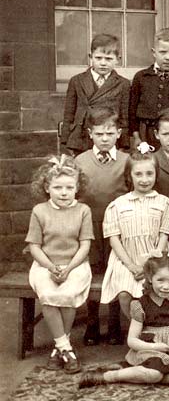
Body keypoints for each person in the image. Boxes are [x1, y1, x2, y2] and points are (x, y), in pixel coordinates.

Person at [79, 255, 169, 388]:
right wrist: (155, 347)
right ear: (149, 278)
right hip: (152, 350)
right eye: (160, 280)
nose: (166, 287)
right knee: (154, 375)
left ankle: (132, 372)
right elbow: (132, 340)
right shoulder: (141, 304)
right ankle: (107, 376)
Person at [26, 155, 94, 374]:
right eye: (57, 187)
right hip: (45, 265)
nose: (63, 192)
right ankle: (66, 347)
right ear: (47, 187)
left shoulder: (83, 210)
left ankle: (58, 350)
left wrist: (69, 268)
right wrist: (51, 267)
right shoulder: (39, 211)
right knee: (48, 294)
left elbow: (84, 246)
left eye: (69, 187)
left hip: (76, 265)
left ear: (77, 188)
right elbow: (35, 246)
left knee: (66, 296)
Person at [100, 147, 169, 323]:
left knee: (158, 289)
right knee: (125, 295)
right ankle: (140, 329)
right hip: (126, 259)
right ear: (129, 175)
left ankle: (159, 325)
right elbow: (114, 240)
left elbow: (164, 235)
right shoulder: (117, 205)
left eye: (149, 174)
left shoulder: (165, 203)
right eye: (138, 174)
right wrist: (132, 266)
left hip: (157, 256)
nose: (144, 179)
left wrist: (151, 262)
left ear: (156, 175)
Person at [75, 107, 129, 346]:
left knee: (115, 271)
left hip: (119, 229)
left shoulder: (127, 161)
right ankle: (93, 322)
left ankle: (115, 323)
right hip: (91, 226)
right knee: (93, 270)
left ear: (119, 133)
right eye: (99, 134)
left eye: (110, 133)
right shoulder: (80, 161)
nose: (105, 138)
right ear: (90, 134)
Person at [60, 34, 130, 154]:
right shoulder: (77, 81)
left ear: (118, 59)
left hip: (108, 137)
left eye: (108, 59)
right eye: (98, 58)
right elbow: (69, 114)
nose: (103, 63)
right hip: (81, 138)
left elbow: (124, 117)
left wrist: (123, 143)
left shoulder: (123, 84)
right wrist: (67, 140)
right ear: (90, 57)